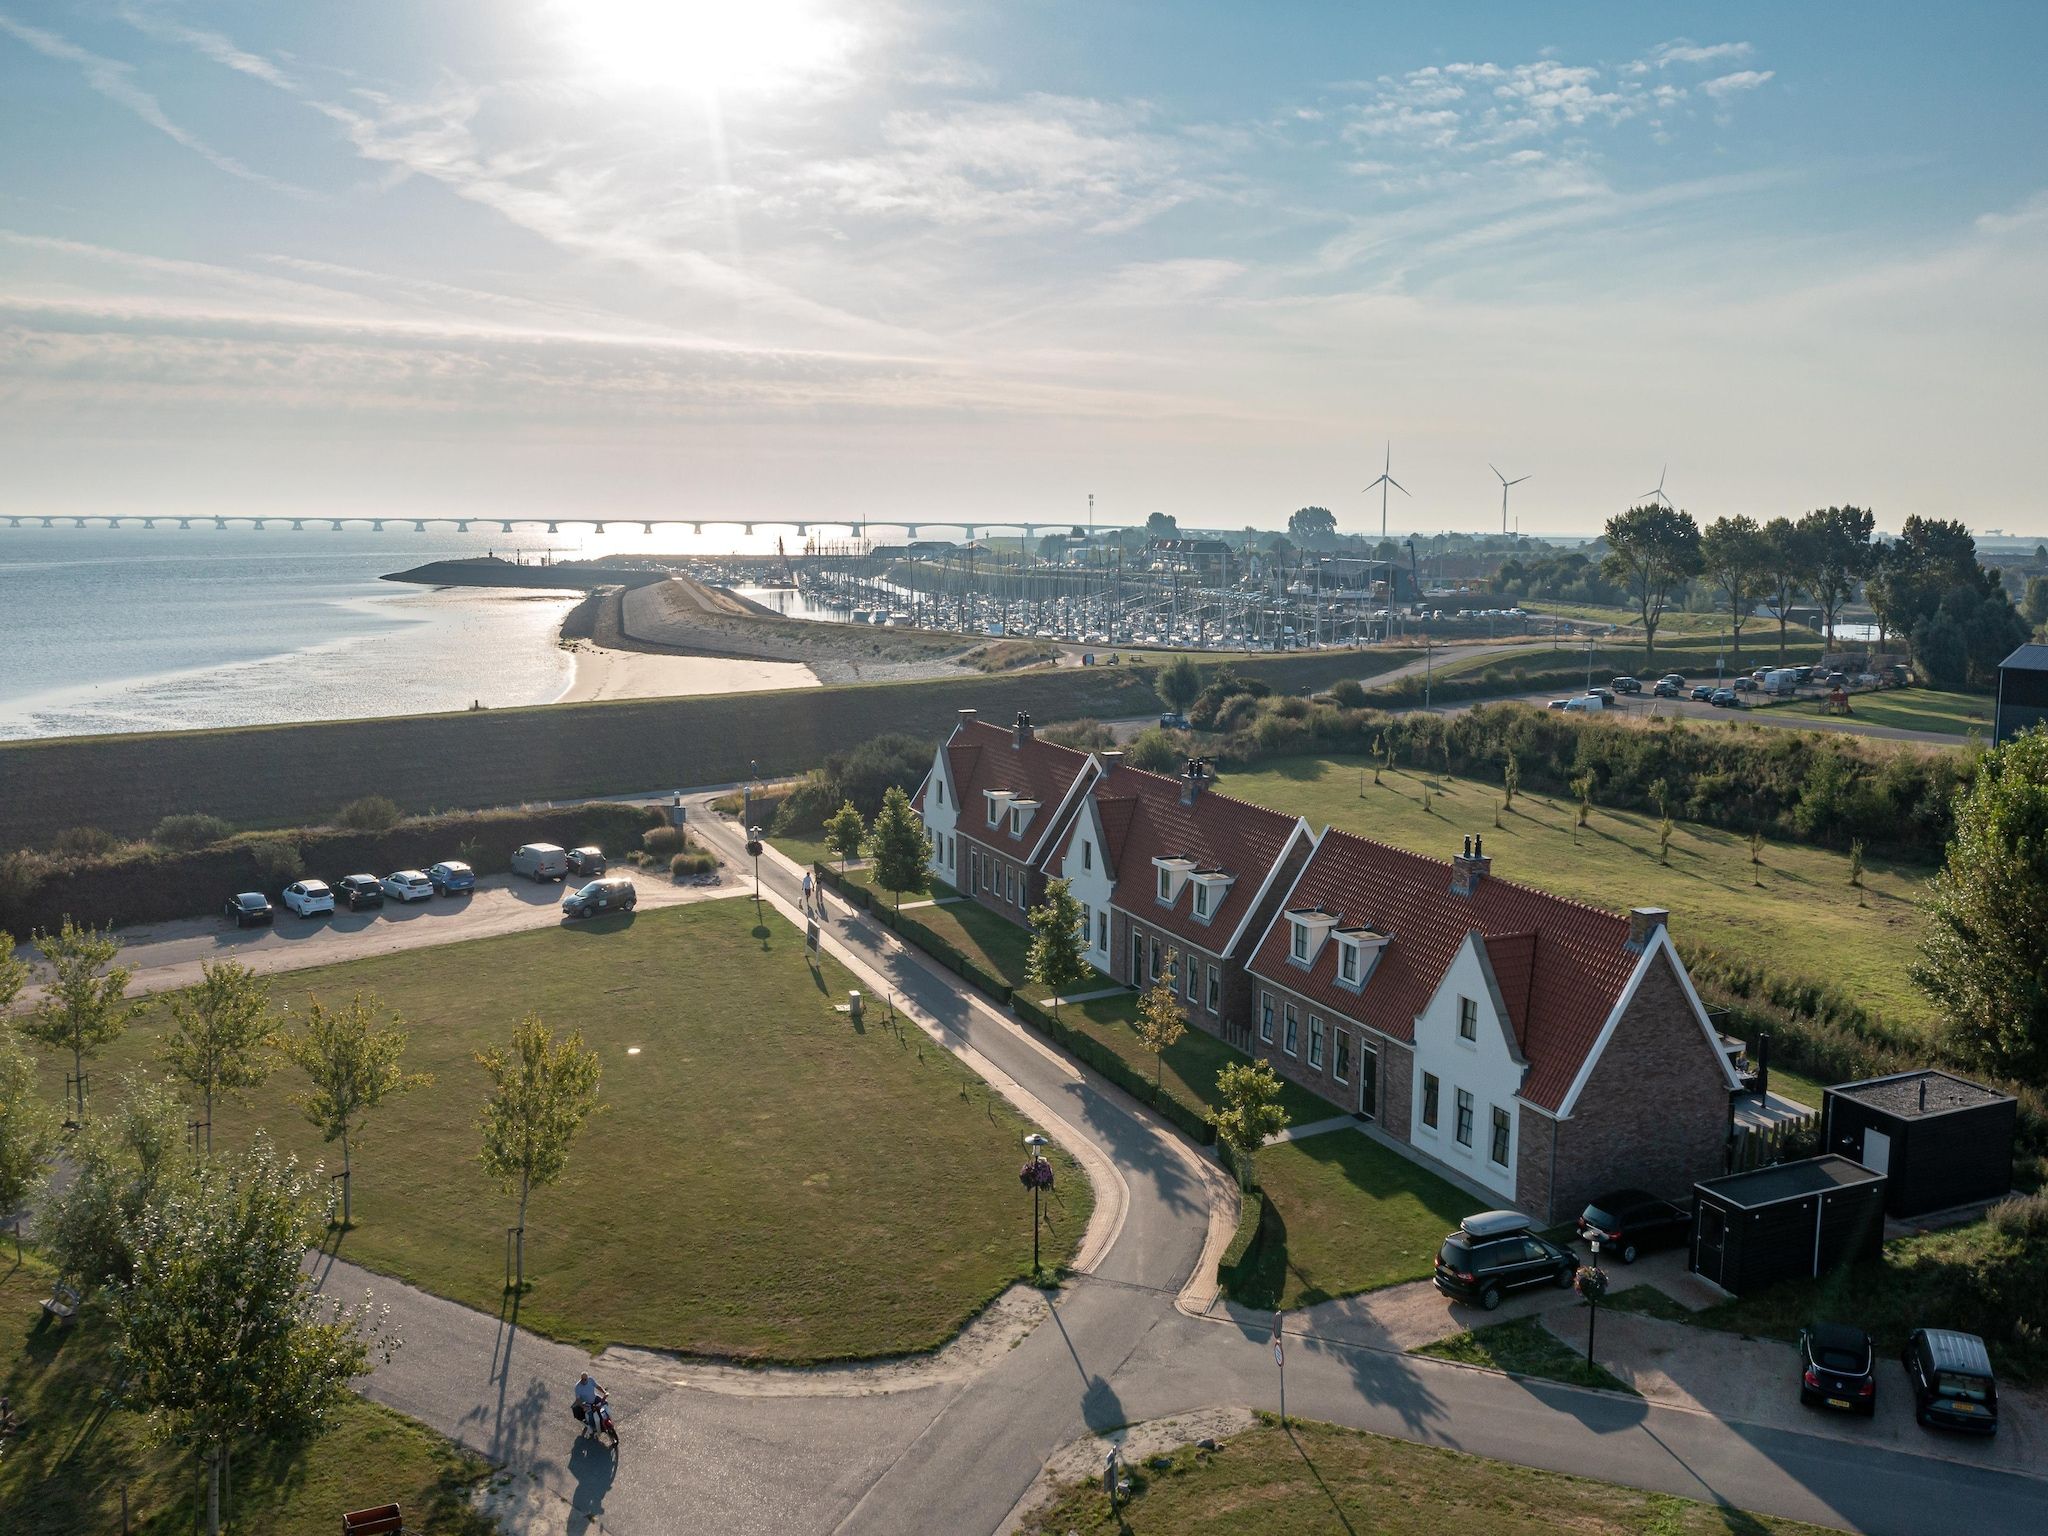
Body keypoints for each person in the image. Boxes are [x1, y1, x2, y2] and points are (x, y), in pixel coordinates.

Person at [572, 1372, 618, 1446]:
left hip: (595, 1398)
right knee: (591, 1415)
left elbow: (597, 1387)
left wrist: (604, 1392)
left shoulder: (590, 1380)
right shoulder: (578, 1387)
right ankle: (593, 1428)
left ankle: (607, 1419)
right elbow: (578, 1399)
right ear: (580, 1379)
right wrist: (583, 1406)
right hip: (587, 1403)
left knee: (605, 1403)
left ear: (587, 1378)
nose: (584, 1381)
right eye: (582, 1379)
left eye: (585, 1379)